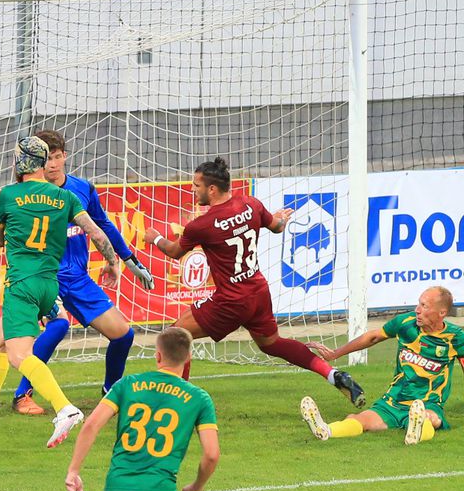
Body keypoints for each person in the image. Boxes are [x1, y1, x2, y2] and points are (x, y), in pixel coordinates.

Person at [145, 157, 364, 405]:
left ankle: (177, 398)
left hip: (231, 299)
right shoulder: (250, 204)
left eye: (197, 185)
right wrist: (282, 217)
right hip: (257, 292)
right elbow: (277, 226)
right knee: (272, 344)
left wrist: (155, 238)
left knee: (177, 334)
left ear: (212, 189)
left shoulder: (202, 225)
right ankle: (333, 375)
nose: (193, 189)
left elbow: (174, 251)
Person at [0, 135, 121, 447]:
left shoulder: (8, 195)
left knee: (19, 355)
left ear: (20, 162)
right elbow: (97, 232)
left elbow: (0, 239)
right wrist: (113, 262)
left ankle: (65, 409)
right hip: (49, 284)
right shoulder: (65, 197)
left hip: (22, 285)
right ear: (44, 163)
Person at [11, 130, 154, 416]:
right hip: (44, 278)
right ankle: (21, 394)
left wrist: (126, 260)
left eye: (57, 157)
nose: (52, 164)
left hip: (77, 278)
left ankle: (111, 391)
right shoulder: (24, 196)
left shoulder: (82, 189)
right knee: (58, 325)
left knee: (123, 334)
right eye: (46, 159)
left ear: (65, 156)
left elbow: (103, 226)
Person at [65, 327, 219, 491]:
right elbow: (212, 455)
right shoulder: (198, 398)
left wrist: (73, 470)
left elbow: (91, 424)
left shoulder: (127, 384)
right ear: (188, 357)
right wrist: (196, 486)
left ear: (158, 356)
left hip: (118, 488)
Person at [302, 285, 463, 445]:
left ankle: (417, 431)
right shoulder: (405, 323)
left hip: (428, 403)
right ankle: (325, 430)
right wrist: (336, 353)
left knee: (429, 418)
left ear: (442, 313)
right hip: (393, 402)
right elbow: (373, 337)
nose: (417, 310)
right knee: (358, 419)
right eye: (418, 304)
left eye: (424, 306)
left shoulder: (455, 337)